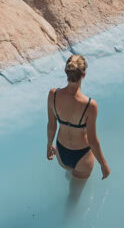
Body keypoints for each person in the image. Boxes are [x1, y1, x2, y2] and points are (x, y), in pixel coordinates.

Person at [46, 54, 110, 182]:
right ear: (84, 75)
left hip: (61, 152)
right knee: (74, 195)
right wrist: (103, 164)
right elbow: (92, 140)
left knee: (69, 172)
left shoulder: (53, 94)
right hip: (82, 156)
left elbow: (52, 125)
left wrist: (49, 145)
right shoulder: (90, 105)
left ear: (66, 72)